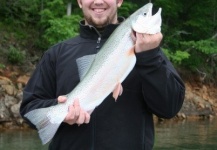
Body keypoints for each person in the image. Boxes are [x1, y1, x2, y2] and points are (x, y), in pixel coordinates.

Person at [20, 0, 185, 150]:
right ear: (79, 2)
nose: (98, 1)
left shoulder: (149, 52)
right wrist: (60, 110)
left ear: (119, 1)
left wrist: (149, 58)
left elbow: (170, 109)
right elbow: (29, 109)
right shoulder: (56, 54)